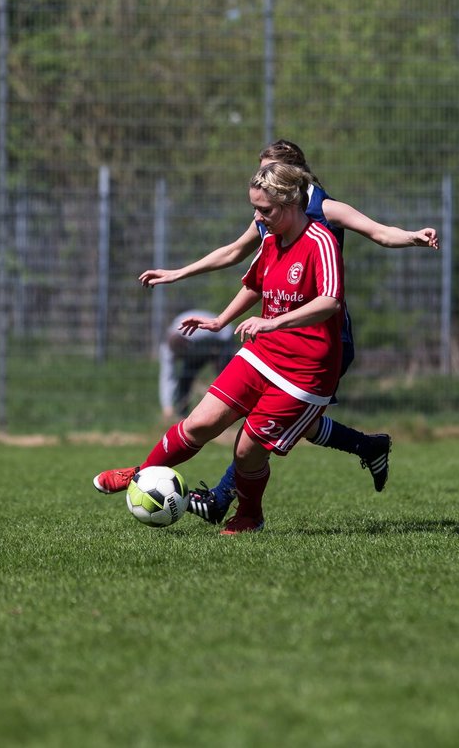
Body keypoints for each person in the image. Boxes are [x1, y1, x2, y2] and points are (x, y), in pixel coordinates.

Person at [138, 139, 438, 523]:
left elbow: (379, 232)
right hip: (274, 338)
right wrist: (179, 273)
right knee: (298, 424)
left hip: (322, 340)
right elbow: (233, 253)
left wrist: (413, 236)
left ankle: (222, 499)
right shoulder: (268, 212)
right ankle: (369, 446)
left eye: (270, 174)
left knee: (267, 426)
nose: (262, 184)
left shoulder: (323, 211)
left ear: (291, 181)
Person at [95, 162, 345, 535]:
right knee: (199, 423)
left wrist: (273, 321)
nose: (258, 218)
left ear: (291, 201)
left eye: (266, 210)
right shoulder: (271, 240)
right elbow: (255, 285)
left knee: (246, 451)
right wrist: (220, 321)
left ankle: (249, 515)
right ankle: (142, 473)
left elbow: (330, 302)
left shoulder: (319, 241)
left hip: (306, 371)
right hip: (265, 352)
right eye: (254, 209)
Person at [159, 309, 236, 420]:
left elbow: (227, 331)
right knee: (185, 377)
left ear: (186, 347)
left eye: (181, 357)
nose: (179, 360)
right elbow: (167, 377)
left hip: (222, 339)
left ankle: (227, 413)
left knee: (223, 379)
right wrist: (167, 406)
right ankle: (182, 415)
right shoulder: (167, 349)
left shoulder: (197, 333)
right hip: (198, 348)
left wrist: (218, 354)